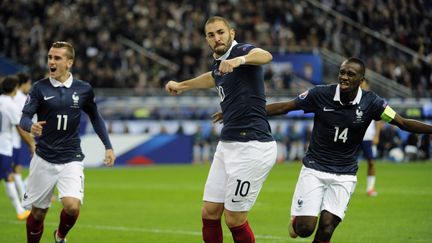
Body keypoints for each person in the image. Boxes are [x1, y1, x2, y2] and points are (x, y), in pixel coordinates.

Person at [214, 57, 432, 243]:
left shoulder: (372, 103)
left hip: (345, 174)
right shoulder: (320, 95)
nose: (344, 77)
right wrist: (238, 112)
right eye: (342, 72)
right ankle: (296, 223)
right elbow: (285, 107)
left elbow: (402, 123)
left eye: (351, 74)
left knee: (327, 228)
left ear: (361, 80)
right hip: (315, 169)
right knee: (305, 229)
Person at [165, 16, 277, 243]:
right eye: (211, 35)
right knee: (209, 212)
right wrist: (182, 86)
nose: (217, 38)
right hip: (228, 145)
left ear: (232, 33)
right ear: (206, 40)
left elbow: (265, 56)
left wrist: (240, 61)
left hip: (253, 146)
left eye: (220, 32)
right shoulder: (218, 64)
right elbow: (212, 78)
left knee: (234, 218)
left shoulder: (242, 52)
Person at [20, 41, 116, 243]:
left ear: (69, 62)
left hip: (71, 157)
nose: (51, 62)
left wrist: (108, 146)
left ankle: (60, 236)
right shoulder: (39, 88)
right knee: (38, 214)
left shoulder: (83, 89)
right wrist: (31, 126)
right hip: (44, 158)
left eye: (57, 58)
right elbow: (24, 119)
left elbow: (96, 117)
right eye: (50, 57)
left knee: (72, 206)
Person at [0, 75, 35, 221]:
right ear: (15, 88)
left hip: (5, 146)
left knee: (8, 175)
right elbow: (20, 128)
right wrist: (31, 144)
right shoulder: (11, 105)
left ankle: (21, 208)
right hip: (4, 146)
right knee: (8, 176)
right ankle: (20, 210)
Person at [11, 72, 33, 200]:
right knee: (16, 169)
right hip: (19, 137)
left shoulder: (9, 97)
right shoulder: (22, 98)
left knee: (15, 169)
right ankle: (24, 196)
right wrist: (30, 139)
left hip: (13, 137)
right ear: (23, 84)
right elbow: (22, 120)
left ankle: (24, 194)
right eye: (29, 83)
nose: (29, 86)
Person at [359, 80, 381, 196]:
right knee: (349, 163)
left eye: (363, 86)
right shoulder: (353, 99)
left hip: (368, 137)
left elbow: (378, 120)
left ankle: (370, 188)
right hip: (354, 137)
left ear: (368, 86)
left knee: (371, 162)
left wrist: (376, 135)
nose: (362, 88)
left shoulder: (372, 101)